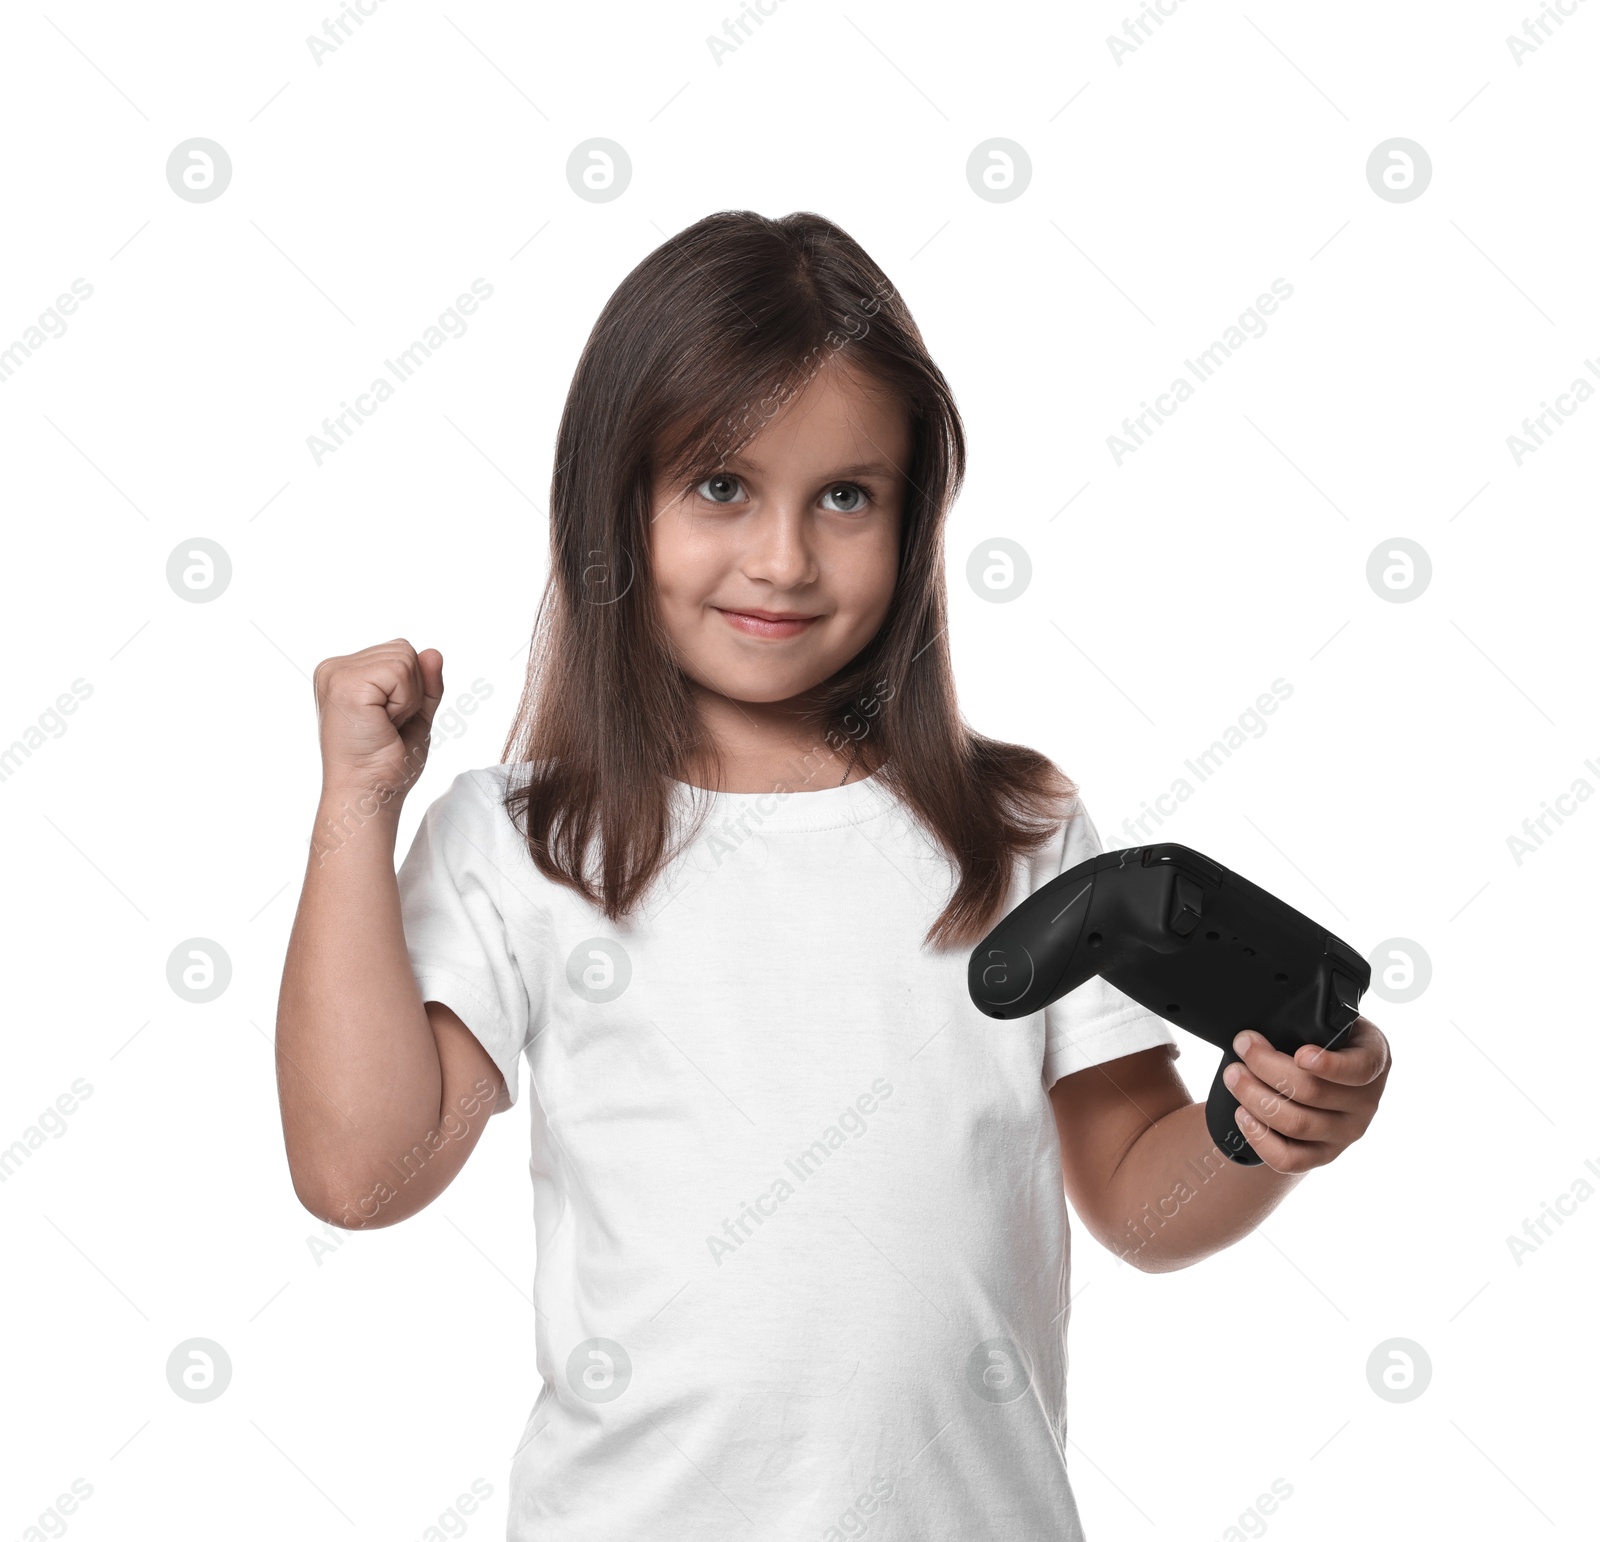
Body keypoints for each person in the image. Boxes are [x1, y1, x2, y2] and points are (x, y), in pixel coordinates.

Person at [274, 209, 1392, 1540]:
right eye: (721, 487)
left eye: (846, 496)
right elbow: (362, 1172)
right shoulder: (529, 839)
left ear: (914, 517)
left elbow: (1139, 1204)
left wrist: (1257, 1129)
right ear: (613, 501)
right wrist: (358, 807)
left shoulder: (1018, 828)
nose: (786, 559)